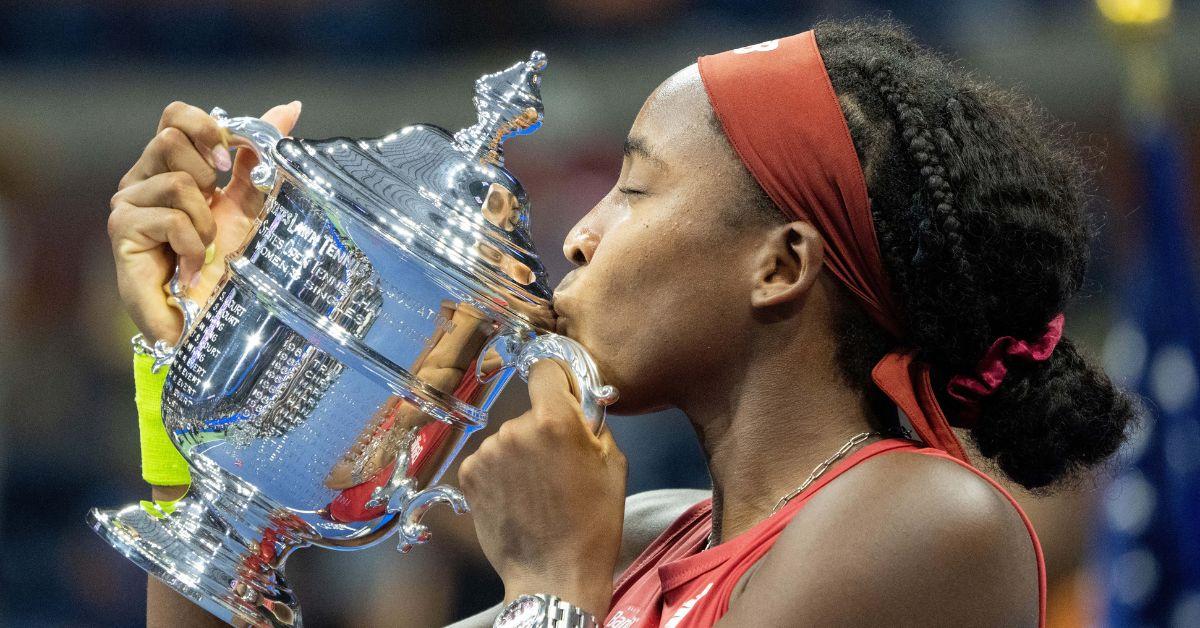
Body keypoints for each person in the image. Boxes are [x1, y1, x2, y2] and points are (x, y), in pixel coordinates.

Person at [107, 18, 1133, 627]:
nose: (582, 238)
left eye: (634, 189)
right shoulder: (640, 533)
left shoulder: (929, 523)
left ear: (780, 263)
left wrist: (550, 584)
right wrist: (208, 347)